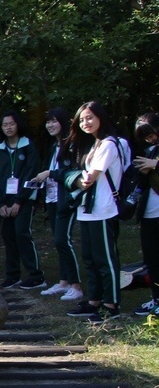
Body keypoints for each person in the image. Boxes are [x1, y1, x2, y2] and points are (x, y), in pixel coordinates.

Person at [64, 101, 126, 323]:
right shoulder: (95, 145)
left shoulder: (109, 144)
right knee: (89, 258)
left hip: (103, 209)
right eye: (81, 120)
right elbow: (83, 178)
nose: (85, 123)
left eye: (89, 117)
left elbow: (89, 178)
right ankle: (94, 301)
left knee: (105, 259)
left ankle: (112, 304)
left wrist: (71, 178)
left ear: (100, 117)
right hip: (87, 209)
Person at [32, 108, 83, 300]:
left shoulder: (72, 145)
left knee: (63, 240)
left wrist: (49, 174)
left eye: (54, 121)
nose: (50, 125)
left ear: (63, 122)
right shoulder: (54, 146)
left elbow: (71, 173)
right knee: (57, 240)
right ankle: (64, 282)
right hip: (52, 198)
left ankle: (76, 286)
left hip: (66, 199)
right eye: (47, 122)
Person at [0, 111, 45, 289]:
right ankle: (13, 275)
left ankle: (36, 275)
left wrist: (19, 201)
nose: (8, 127)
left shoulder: (28, 146)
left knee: (22, 233)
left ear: (18, 125)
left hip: (24, 199)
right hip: (5, 202)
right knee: (8, 236)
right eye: (5, 124)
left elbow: (31, 173)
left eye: (11, 124)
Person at [131, 117, 159, 317]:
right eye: (145, 137)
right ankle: (156, 298)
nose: (149, 139)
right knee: (152, 258)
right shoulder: (150, 150)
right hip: (149, 212)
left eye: (151, 134)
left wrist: (155, 164)